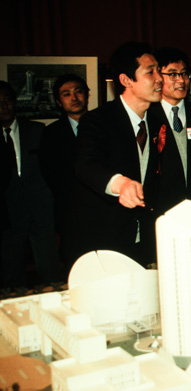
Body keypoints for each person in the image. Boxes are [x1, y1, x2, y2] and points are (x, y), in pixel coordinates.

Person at [67, 42, 162, 268]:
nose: (160, 78)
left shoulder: (158, 120)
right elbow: (85, 165)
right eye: (150, 72)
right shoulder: (98, 120)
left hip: (147, 238)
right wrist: (121, 184)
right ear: (126, 80)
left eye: (159, 71)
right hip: (106, 236)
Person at [1, 81, 58, 288]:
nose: (3, 106)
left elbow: (51, 168)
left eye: (7, 100)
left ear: (14, 102)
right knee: (11, 272)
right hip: (8, 215)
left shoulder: (37, 130)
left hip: (41, 210)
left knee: (49, 271)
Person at [148, 47, 191, 214]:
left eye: (185, 74)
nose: (181, 80)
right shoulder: (148, 117)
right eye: (172, 74)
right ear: (158, 77)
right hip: (160, 211)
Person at [39, 74, 89, 275]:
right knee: (75, 268)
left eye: (78, 91)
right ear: (59, 102)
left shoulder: (104, 125)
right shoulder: (51, 134)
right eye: (66, 94)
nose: (74, 97)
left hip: (105, 210)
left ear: (87, 94)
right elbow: (50, 174)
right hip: (70, 213)